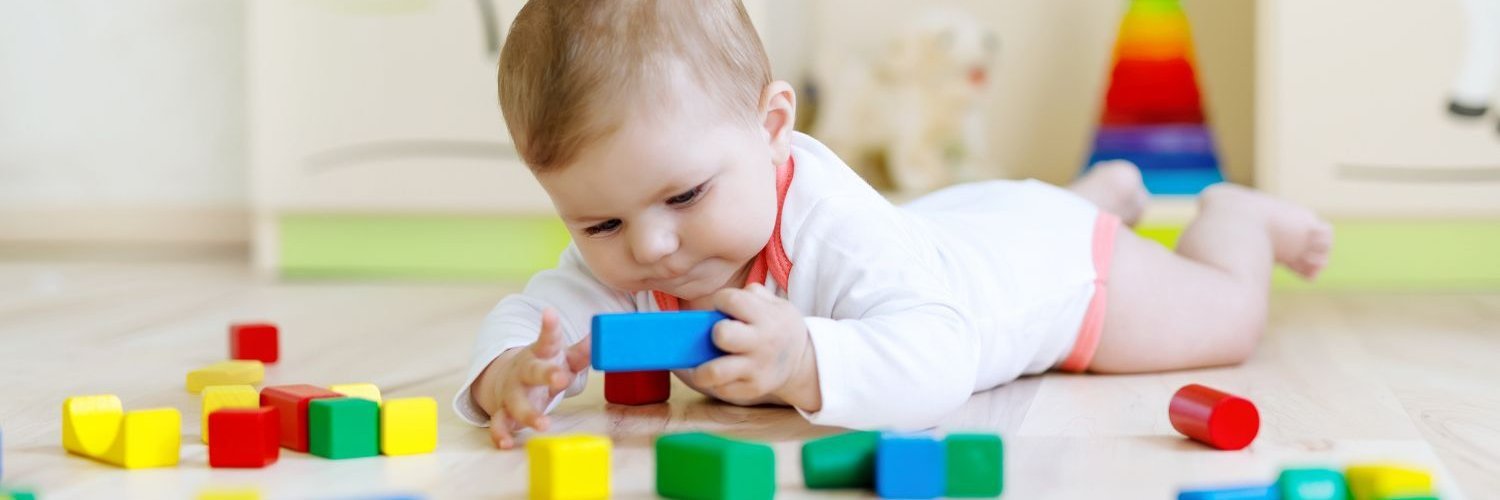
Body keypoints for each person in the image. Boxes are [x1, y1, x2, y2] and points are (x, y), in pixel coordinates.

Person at [454, 0, 1334, 449]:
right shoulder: (635, 244)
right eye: (600, 222)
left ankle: (1235, 221)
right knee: (947, 233)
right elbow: (534, 312)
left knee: (1225, 318)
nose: (648, 249)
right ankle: (1093, 189)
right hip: (954, 226)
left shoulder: (830, 225)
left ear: (771, 132)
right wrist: (507, 374)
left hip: (1056, 273)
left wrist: (806, 360)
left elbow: (942, 353)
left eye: (684, 199)